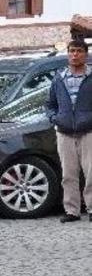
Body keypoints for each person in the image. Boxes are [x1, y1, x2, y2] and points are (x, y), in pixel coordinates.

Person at [46, 39, 92, 223]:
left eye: (79, 51)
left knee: (91, 172)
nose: (75, 54)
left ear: (85, 54)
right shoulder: (59, 77)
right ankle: (72, 210)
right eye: (72, 51)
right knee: (68, 173)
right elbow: (50, 104)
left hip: (88, 130)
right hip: (64, 131)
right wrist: (54, 118)